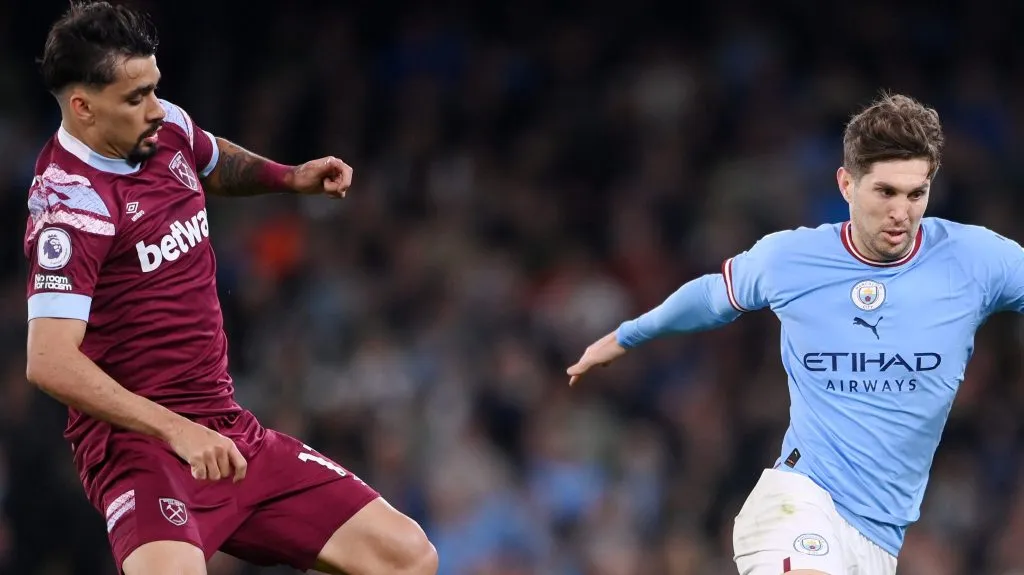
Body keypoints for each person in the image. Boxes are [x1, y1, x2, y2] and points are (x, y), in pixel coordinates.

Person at [23, 3, 438, 574]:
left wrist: (288, 177)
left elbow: (209, 158)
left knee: (407, 557)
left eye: (154, 88)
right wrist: (177, 432)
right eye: (136, 97)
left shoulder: (162, 128)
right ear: (83, 107)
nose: (156, 108)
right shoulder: (70, 206)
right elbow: (48, 361)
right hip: (140, 451)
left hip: (226, 428)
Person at [567, 92, 1024, 574]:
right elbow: (712, 296)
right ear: (846, 184)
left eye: (916, 194)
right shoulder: (792, 259)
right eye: (885, 192)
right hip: (798, 502)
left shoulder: (974, 260)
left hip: (878, 540)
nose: (901, 212)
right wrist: (626, 336)